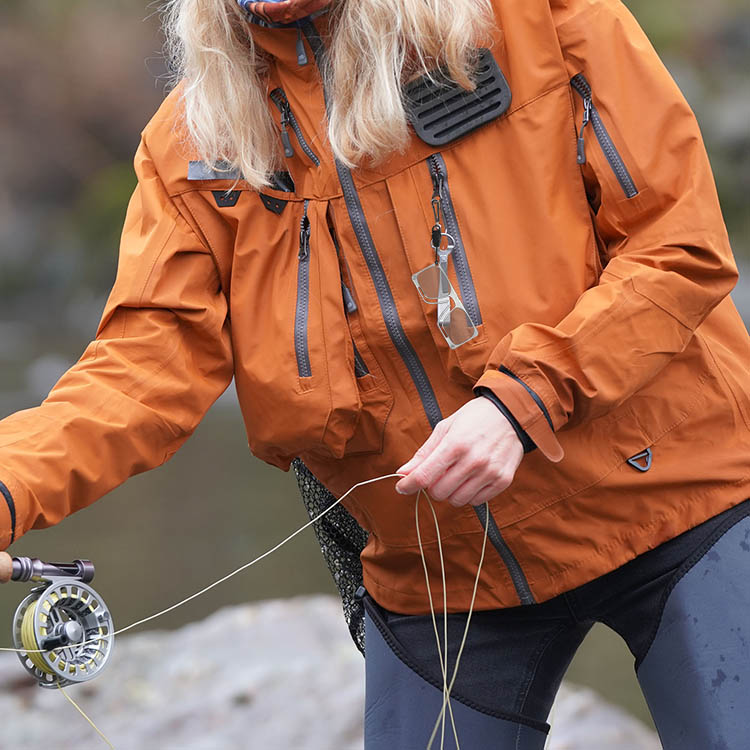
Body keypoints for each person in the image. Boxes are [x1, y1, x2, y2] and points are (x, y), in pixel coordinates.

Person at [2, 0, 749, 747]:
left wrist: (523, 403)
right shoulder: (192, 145)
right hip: (441, 576)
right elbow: (134, 377)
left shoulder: (539, 19)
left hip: (682, 501)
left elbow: (677, 247)